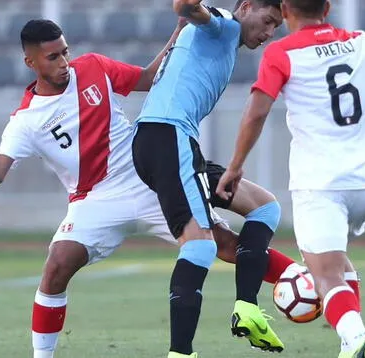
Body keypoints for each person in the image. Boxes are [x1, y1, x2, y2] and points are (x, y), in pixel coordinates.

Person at [0, 19, 297, 358]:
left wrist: (177, 32)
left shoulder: (93, 67)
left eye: (65, 53)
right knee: (56, 266)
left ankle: (304, 279)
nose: (64, 63)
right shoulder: (25, 120)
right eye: (53, 57)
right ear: (31, 62)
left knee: (224, 245)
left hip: (147, 176)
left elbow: (147, 78)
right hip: (95, 198)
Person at [216, 0, 365, 357]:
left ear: (285, 8)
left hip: (321, 184)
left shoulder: (282, 52)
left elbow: (256, 112)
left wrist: (236, 165)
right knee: (338, 263)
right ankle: (351, 343)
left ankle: (358, 338)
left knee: (324, 275)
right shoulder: (361, 42)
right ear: (329, 8)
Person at [132, 0, 285, 356]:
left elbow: (186, 26)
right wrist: (189, 6)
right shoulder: (227, 25)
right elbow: (191, 10)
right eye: (267, 21)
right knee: (200, 244)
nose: (268, 33)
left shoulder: (221, 39)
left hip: (170, 142)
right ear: (246, 7)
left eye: (276, 27)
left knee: (264, 207)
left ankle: (247, 307)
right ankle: (180, 353)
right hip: (168, 137)